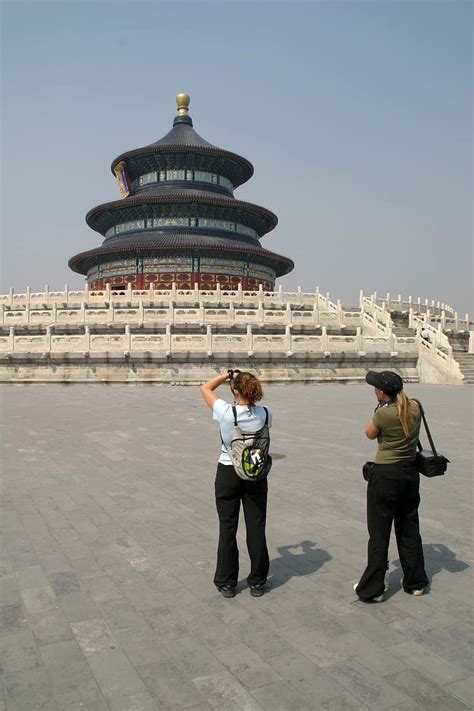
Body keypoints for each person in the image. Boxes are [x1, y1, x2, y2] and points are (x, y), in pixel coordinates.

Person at [354, 370, 429, 603]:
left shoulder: (383, 415)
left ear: (382, 392)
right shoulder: (415, 407)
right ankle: (415, 582)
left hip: (386, 476)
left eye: (376, 388)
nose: (374, 390)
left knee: (379, 532)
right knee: (409, 527)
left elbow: (369, 434)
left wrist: (379, 410)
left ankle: (373, 587)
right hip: (410, 474)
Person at [200, 370, 272, 599]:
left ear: (235, 390)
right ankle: (258, 581)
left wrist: (226, 374)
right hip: (255, 473)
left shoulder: (226, 412)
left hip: (228, 472)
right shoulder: (266, 413)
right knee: (256, 527)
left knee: (227, 527)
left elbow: (205, 388)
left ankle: (227, 582)